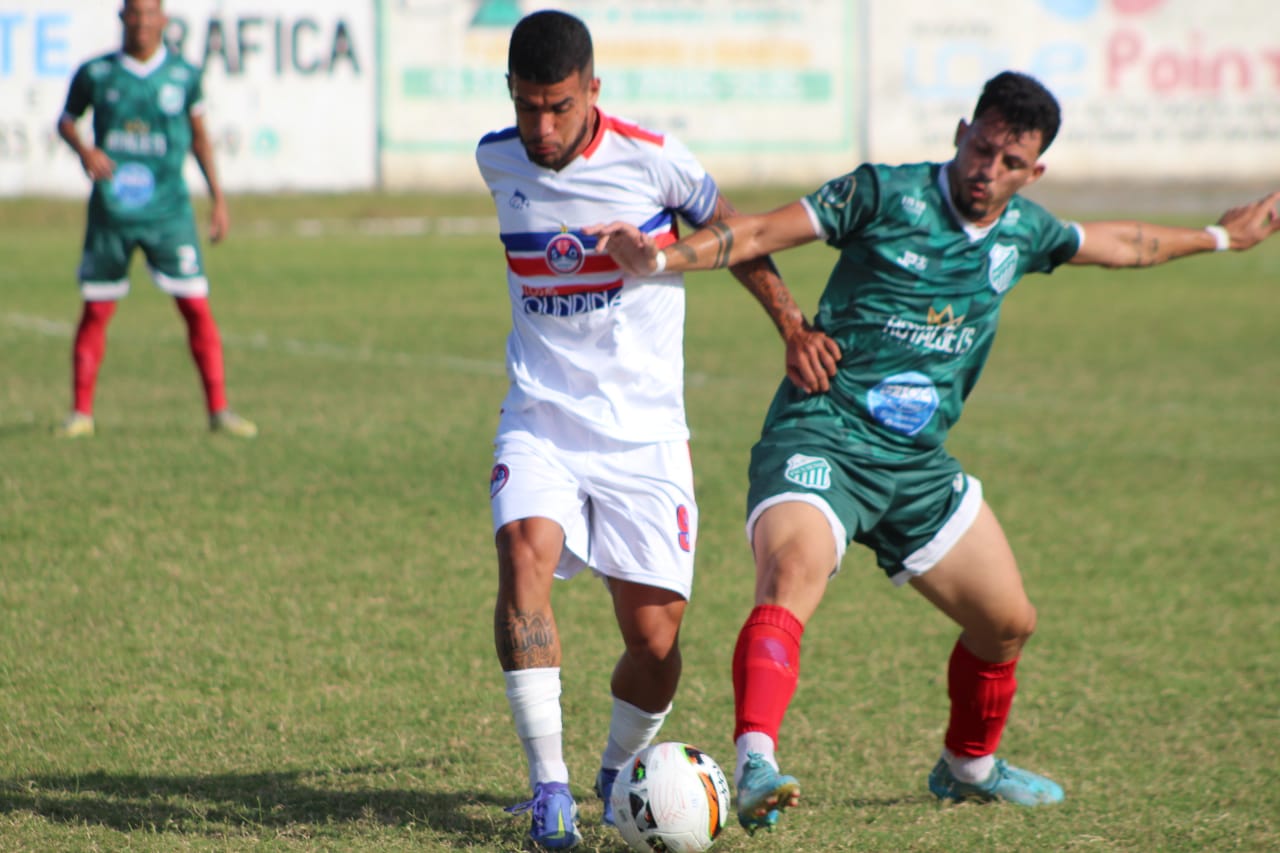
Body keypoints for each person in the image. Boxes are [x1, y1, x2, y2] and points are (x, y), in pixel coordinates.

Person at [590, 70, 1280, 834]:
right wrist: (661, 260)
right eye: (981, 148)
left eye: (1010, 162)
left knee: (1008, 622)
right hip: (823, 435)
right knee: (791, 576)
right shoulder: (884, 196)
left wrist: (1222, 236)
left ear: (1034, 171)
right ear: (960, 132)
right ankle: (755, 760)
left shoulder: (1024, 233)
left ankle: (968, 767)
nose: (988, 170)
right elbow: (754, 232)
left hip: (917, 467)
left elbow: (1120, 244)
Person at [477, 9, 839, 849]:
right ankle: (551, 792)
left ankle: (613, 773)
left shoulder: (653, 158)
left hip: (644, 434)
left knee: (655, 641)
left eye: (559, 106)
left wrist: (789, 325)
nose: (541, 126)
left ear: (592, 91)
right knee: (522, 551)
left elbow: (738, 236)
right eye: (528, 106)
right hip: (541, 416)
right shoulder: (497, 158)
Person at [53, 0, 256, 439]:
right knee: (97, 308)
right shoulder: (97, 73)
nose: (142, 22)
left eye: (150, 14)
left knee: (196, 307)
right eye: (134, 13)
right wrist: (85, 150)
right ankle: (81, 413)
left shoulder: (184, 76)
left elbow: (200, 138)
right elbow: (66, 122)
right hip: (113, 213)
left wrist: (218, 199)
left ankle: (219, 411)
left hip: (169, 213)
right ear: (122, 18)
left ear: (164, 21)